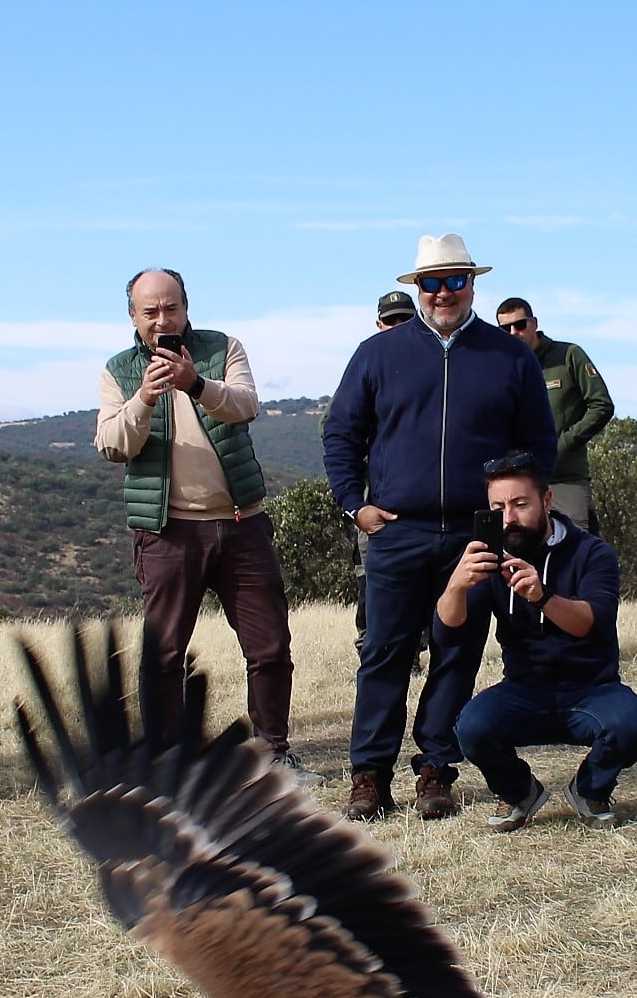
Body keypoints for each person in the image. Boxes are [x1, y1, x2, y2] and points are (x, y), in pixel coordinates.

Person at [323, 233, 558, 823]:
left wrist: (512, 515)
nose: (444, 292)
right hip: (397, 531)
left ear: (473, 284)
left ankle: (435, 770)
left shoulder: (510, 357)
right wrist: (356, 505)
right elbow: (340, 434)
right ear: (417, 288)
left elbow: (539, 445)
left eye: (456, 280)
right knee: (384, 653)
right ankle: (370, 775)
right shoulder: (377, 354)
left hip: (476, 535)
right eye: (433, 282)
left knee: (458, 652)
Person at [97, 268, 314, 782]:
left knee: (269, 646)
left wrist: (195, 381)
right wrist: (145, 398)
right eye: (149, 311)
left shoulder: (222, 348)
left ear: (187, 308)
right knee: (166, 653)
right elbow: (111, 444)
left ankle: (272, 752)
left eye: (170, 308)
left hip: (242, 522)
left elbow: (245, 406)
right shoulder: (118, 371)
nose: (161, 320)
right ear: (132, 316)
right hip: (167, 531)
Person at [442, 452, 637, 829]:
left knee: (632, 724)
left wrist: (543, 596)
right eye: (498, 507)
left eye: (520, 504)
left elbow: (592, 623)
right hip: (524, 688)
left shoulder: (592, 552)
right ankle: (520, 792)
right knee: (470, 726)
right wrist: (456, 585)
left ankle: (590, 789)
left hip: (592, 688)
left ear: (547, 501)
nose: (509, 518)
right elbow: (451, 625)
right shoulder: (490, 559)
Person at [494, 298, 615, 530]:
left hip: (565, 478)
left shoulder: (569, 355)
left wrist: (563, 444)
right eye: (505, 328)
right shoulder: (501, 367)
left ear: (534, 323)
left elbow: (602, 405)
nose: (513, 332)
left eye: (520, 324)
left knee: (574, 552)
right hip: (519, 484)